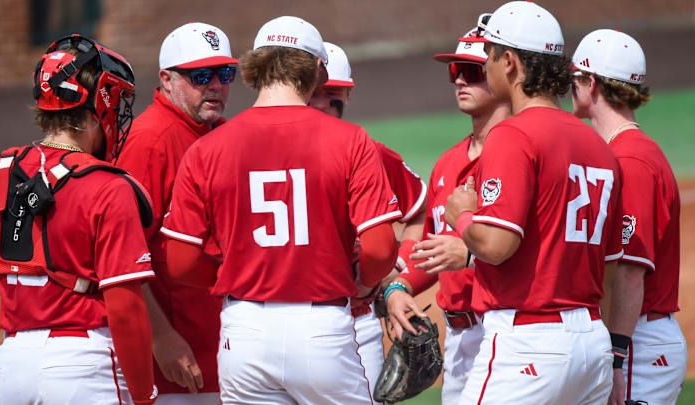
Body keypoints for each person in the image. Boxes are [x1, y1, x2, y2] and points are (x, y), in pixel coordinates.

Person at [160, 16, 401, 405]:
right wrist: (362, 280)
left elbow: (182, 262)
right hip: (321, 326)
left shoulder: (207, 148)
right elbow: (380, 248)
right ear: (318, 70)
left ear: (255, 66)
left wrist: (232, 272)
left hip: (244, 330)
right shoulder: (350, 139)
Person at [443, 2, 624, 403]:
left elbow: (495, 245)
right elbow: (609, 269)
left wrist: (461, 216)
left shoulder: (513, 135)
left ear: (509, 62)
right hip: (592, 344)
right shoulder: (600, 147)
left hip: (527, 344)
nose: (485, 66)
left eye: (488, 55)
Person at [0, 35, 157, 404]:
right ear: (97, 106)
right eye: (116, 100)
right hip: (83, 366)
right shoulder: (108, 186)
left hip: (11, 366)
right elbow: (125, 308)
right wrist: (144, 395)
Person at [385, 22, 511, 404]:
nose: (460, 81)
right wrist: (399, 287)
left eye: (471, 72)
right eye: (455, 72)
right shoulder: (447, 164)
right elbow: (433, 252)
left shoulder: (517, 158)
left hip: (504, 332)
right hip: (457, 340)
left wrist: (470, 255)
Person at [117, 22, 238, 404]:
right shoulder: (149, 142)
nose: (216, 85)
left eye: (225, 73)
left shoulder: (222, 133)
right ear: (167, 80)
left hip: (225, 344)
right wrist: (161, 336)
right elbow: (122, 254)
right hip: (179, 360)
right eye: (201, 75)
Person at [571, 29, 687, 405]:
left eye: (574, 79)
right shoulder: (623, 152)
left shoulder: (630, 161)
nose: (569, 88)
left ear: (591, 83)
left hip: (634, 341)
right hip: (631, 336)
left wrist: (616, 357)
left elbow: (627, 270)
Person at [309, 41, 427, 403]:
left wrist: (398, 270)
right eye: (317, 94)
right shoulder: (266, 151)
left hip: (355, 321)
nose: (326, 105)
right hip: (279, 316)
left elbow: (420, 209)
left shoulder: (369, 151)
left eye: (335, 95)